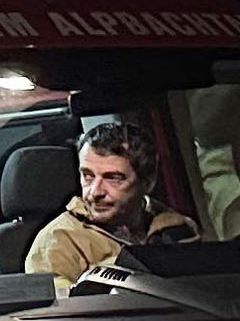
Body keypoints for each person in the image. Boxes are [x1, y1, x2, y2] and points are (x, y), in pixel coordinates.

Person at [25, 117, 199, 290]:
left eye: (113, 178)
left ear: (148, 182)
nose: (95, 192)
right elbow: (58, 313)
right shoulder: (58, 241)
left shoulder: (177, 227)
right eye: (87, 175)